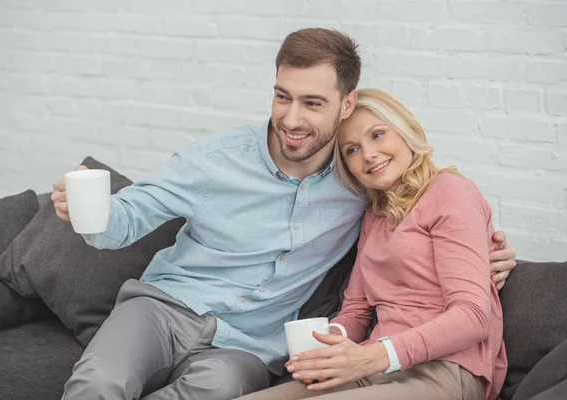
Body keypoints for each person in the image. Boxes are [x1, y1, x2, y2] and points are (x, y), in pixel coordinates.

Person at [51, 29, 516, 400]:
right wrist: (92, 213)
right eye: (282, 97)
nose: (292, 119)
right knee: (99, 384)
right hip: (164, 309)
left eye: (313, 103)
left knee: (221, 390)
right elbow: (127, 218)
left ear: (345, 104)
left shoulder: (358, 185)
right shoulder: (219, 159)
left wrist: (487, 254)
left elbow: (432, 218)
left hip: (246, 346)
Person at [236, 88, 508, 400]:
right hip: (377, 368)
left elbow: (473, 316)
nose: (368, 154)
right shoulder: (374, 215)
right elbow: (355, 310)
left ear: (406, 131)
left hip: (447, 369)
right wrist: (328, 345)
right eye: (352, 150)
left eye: (377, 135)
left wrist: (372, 357)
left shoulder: (450, 192)